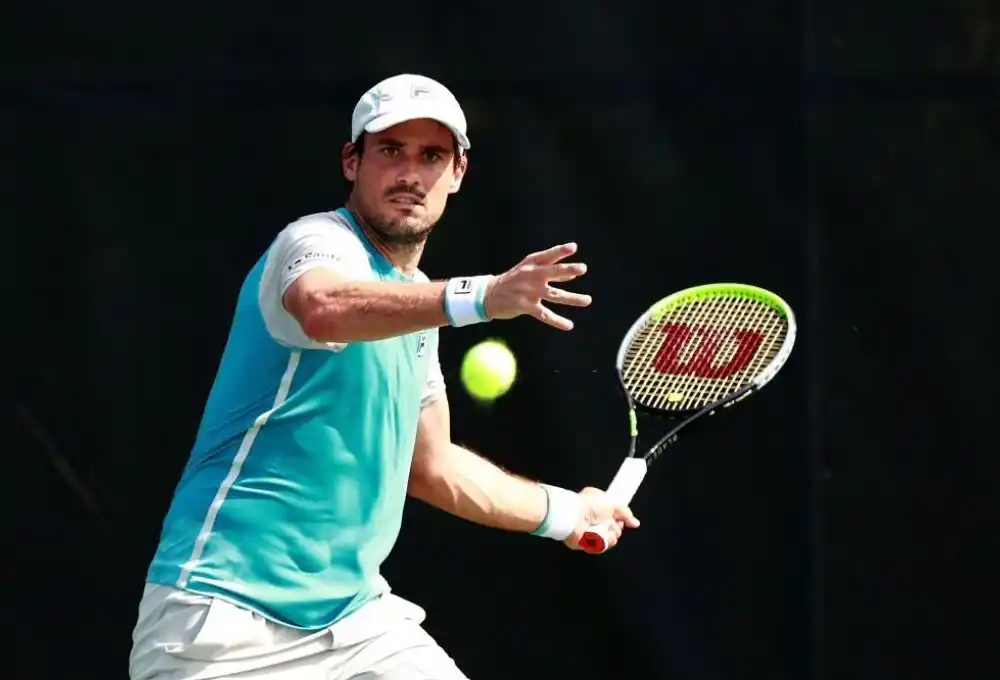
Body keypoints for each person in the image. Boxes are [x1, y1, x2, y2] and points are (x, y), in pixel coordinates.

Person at [129, 73, 640, 680]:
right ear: (352, 161)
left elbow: (433, 467)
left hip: (355, 623)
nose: (409, 173)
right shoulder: (315, 241)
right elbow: (324, 309)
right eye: (390, 151)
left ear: (457, 175)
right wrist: (483, 297)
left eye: (432, 156)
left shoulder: (417, 305)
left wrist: (565, 513)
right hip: (222, 620)